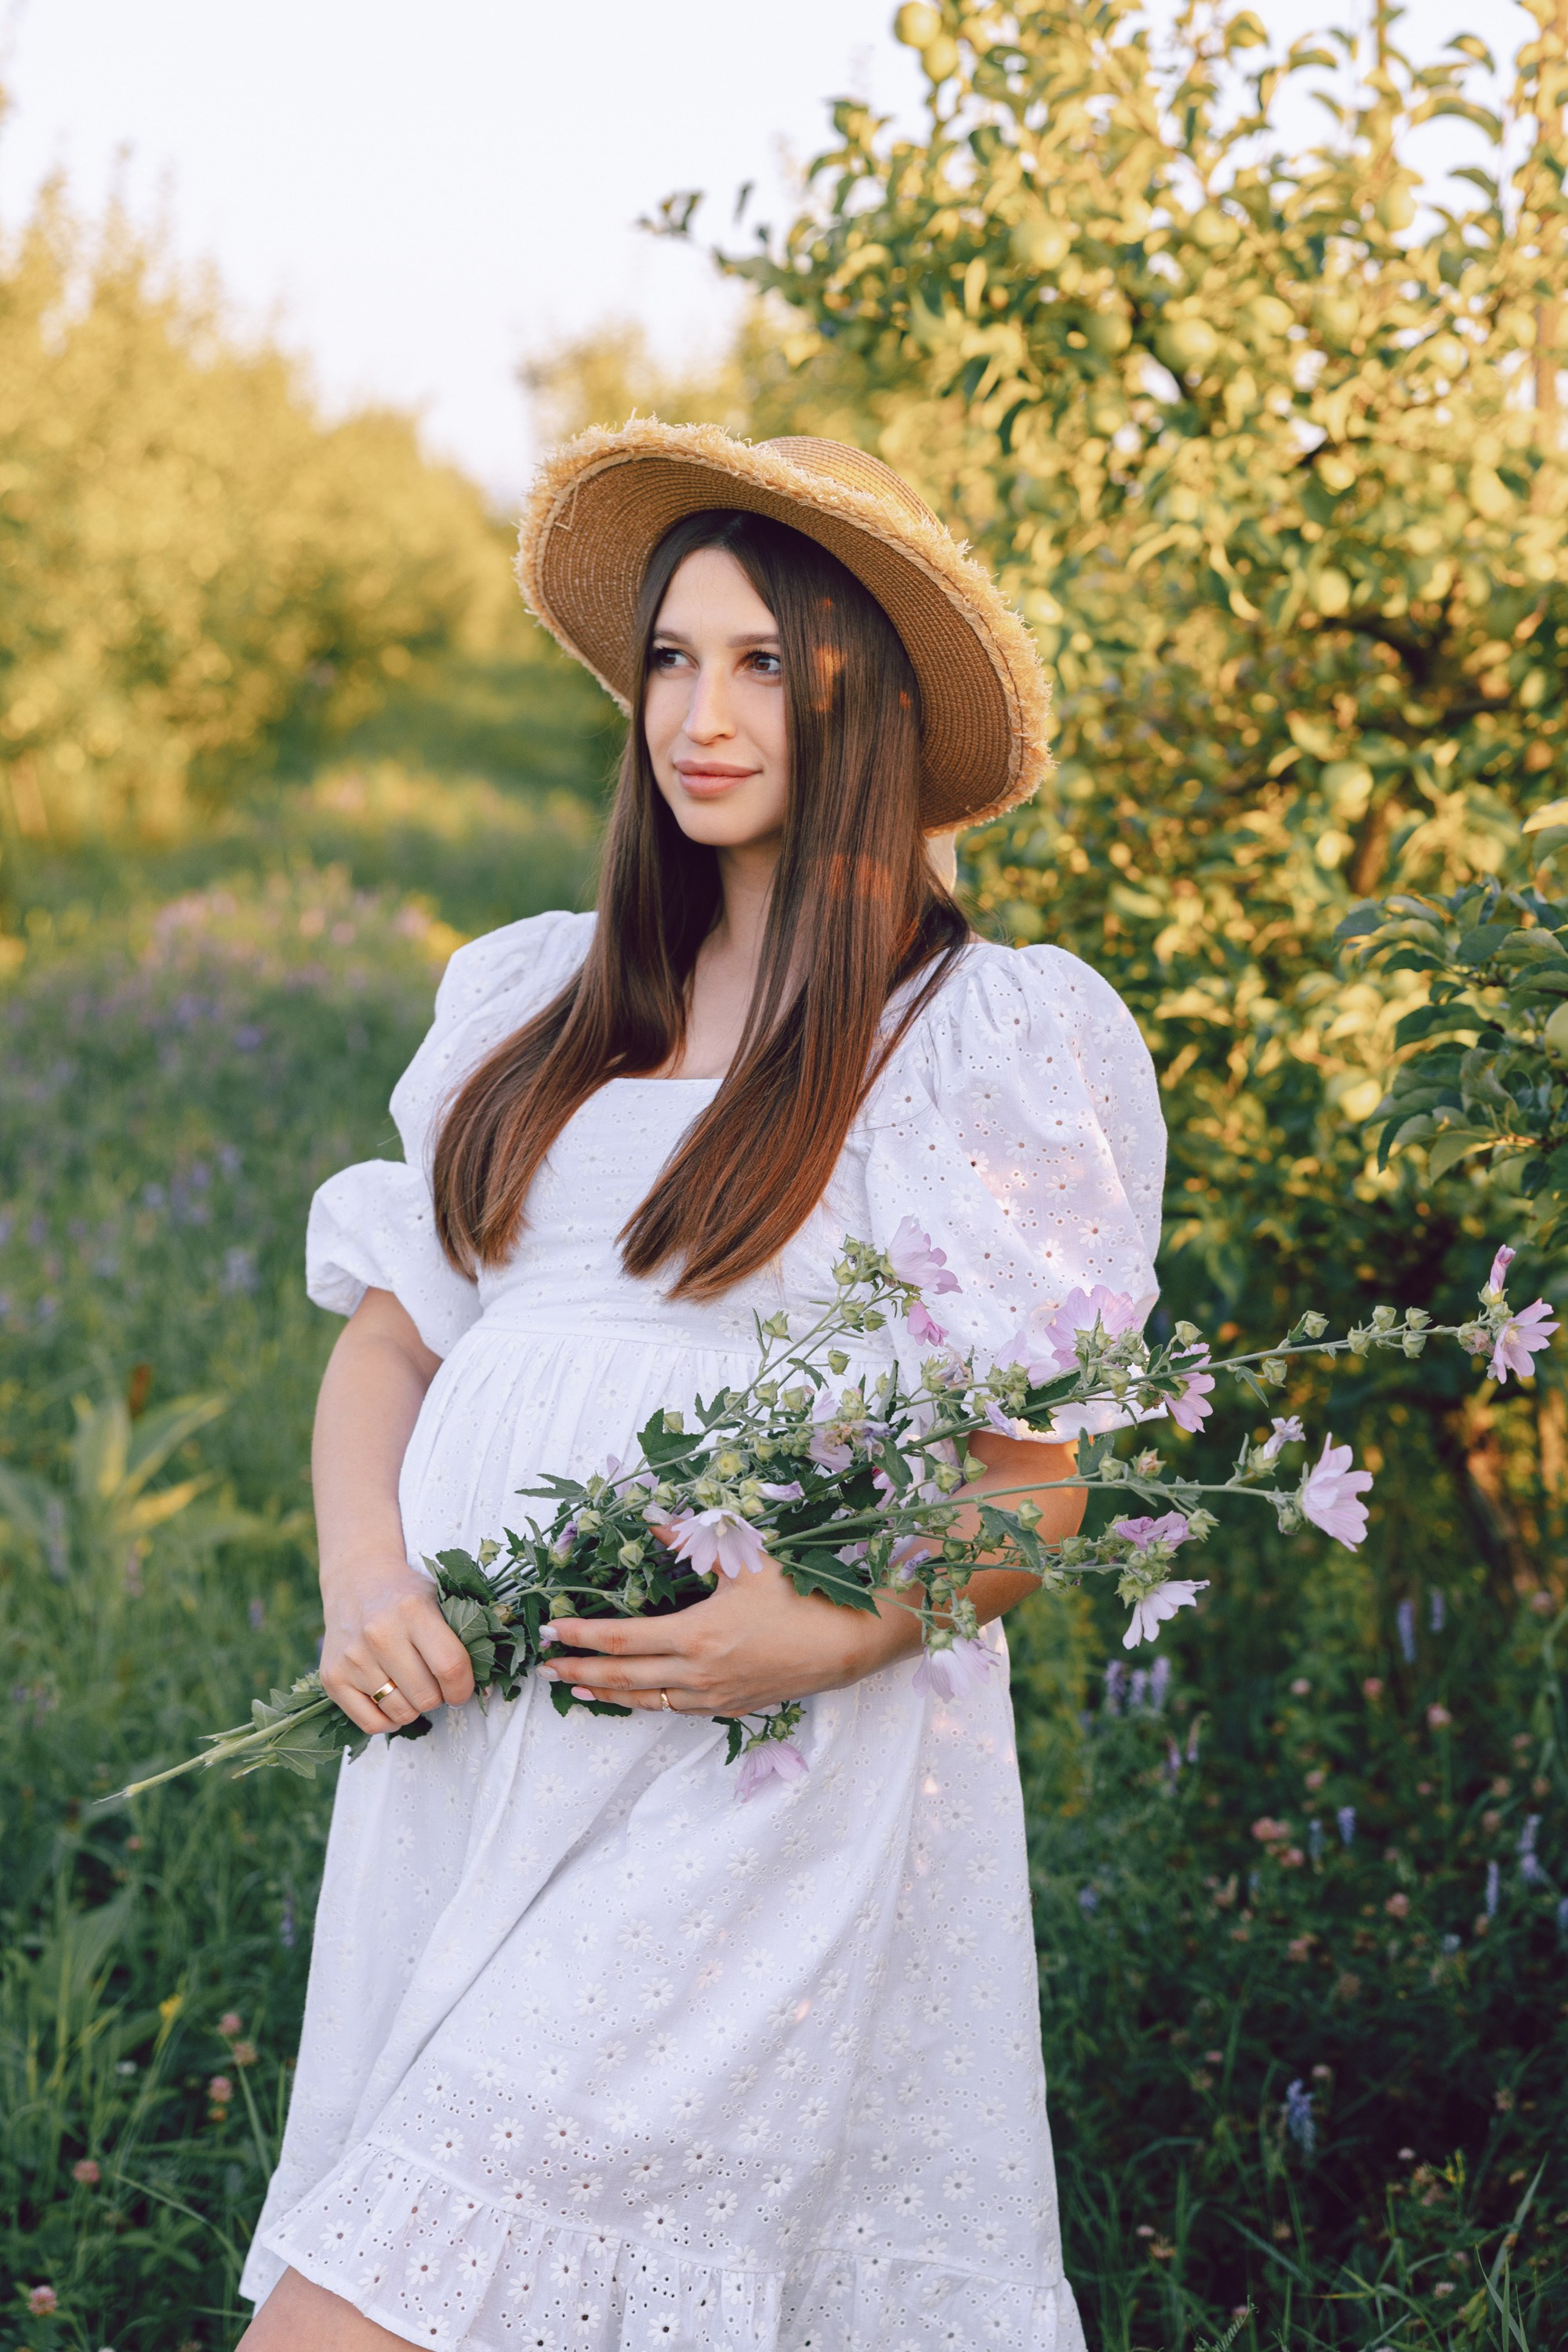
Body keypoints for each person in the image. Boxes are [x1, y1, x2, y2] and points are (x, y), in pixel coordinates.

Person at [237, 423, 1164, 2352]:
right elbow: (395, 1337)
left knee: (372, 2306)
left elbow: (1036, 1471)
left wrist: (831, 1629)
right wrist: (365, 1581)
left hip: (756, 1783)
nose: (700, 713)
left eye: (764, 664)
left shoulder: (973, 1031)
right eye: (672, 657)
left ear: (869, 704)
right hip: (480, 1743)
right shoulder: (539, 999)